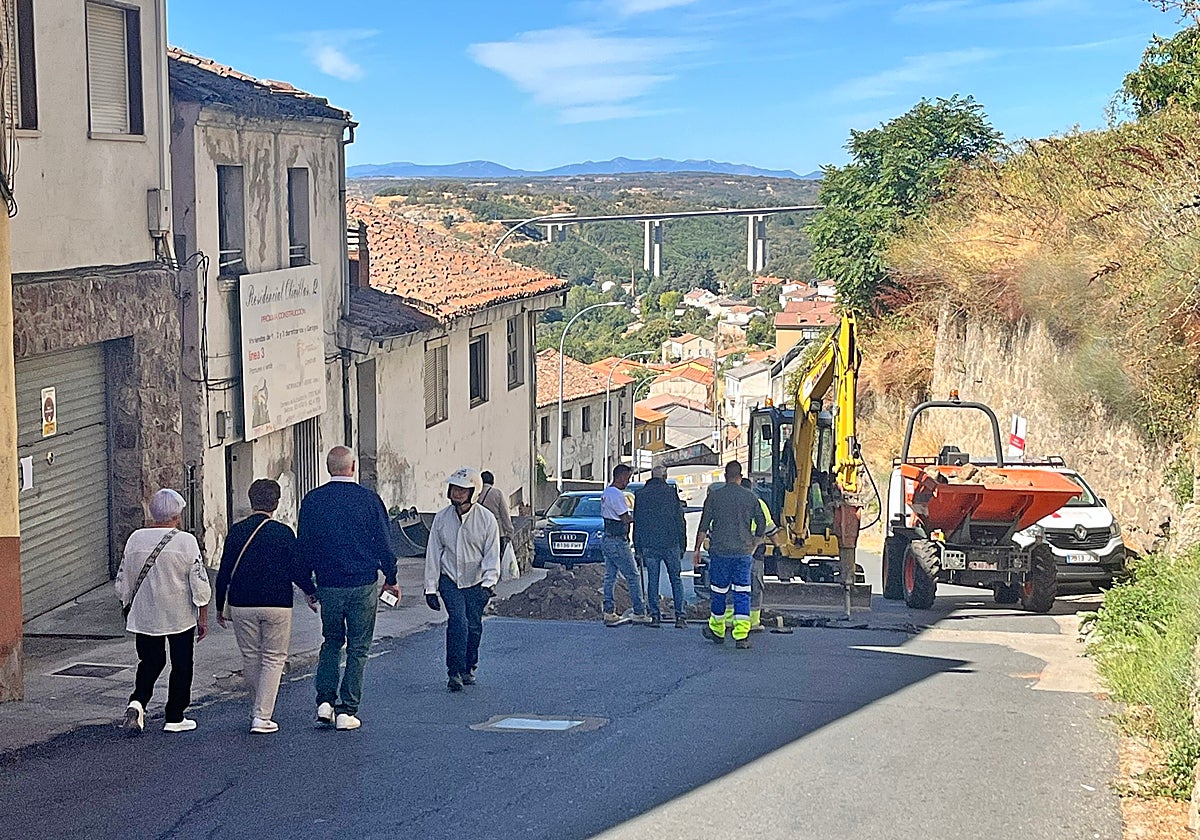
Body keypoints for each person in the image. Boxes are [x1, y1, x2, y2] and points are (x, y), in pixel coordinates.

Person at [297, 446, 399, 731]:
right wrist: (391, 577)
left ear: (328, 467)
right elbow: (384, 543)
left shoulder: (313, 500)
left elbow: (303, 546)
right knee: (358, 647)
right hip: (362, 582)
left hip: (328, 583)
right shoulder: (369, 500)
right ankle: (347, 709)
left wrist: (307, 586)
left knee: (331, 641)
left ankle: (324, 701)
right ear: (353, 466)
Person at [215, 479, 318, 734]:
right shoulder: (283, 533)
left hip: (242, 602)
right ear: (276, 502)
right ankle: (262, 716)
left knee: (250, 656)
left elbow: (224, 570)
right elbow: (296, 569)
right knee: (274, 658)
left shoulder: (236, 531)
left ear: (251, 501)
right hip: (277, 602)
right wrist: (310, 591)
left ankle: (257, 708)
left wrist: (218, 605)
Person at [114, 488, 211, 734]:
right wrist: (203, 617)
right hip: (179, 614)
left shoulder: (135, 539)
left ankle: (138, 702)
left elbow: (123, 579)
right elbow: (199, 583)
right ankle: (175, 716)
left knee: (150, 660)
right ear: (177, 515)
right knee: (181, 664)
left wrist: (126, 603)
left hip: (145, 613)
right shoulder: (186, 541)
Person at [424, 467, 501, 692]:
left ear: (473, 492)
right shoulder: (441, 518)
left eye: (462, 489)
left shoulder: (486, 520)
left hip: (476, 582)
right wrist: (430, 588)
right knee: (458, 622)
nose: (456, 493)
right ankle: (454, 672)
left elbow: (491, 554)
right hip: (450, 579)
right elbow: (433, 553)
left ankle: (469, 667)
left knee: (473, 626)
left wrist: (488, 583)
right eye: (454, 488)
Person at [693, 461, 766, 649]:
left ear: (725, 476)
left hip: (720, 552)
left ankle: (718, 631)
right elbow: (762, 523)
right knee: (742, 592)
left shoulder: (715, 497)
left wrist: (697, 550)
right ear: (740, 477)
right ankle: (741, 636)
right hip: (743, 553)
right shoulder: (750, 497)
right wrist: (754, 543)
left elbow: (703, 526)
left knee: (718, 592)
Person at [633, 464, 688, 629]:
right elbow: (680, 520)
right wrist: (683, 543)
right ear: (665, 476)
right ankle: (680, 617)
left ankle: (655, 616)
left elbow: (638, 522)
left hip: (649, 544)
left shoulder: (641, 495)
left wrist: (638, 547)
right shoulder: (671, 493)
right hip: (671, 542)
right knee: (676, 579)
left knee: (653, 580)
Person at [601, 464, 651, 626]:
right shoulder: (617, 495)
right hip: (618, 541)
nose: (628, 482)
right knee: (633, 576)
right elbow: (624, 518)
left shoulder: (607, 492)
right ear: (621, 476)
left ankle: (608, 611)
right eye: (628, 478)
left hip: (607, 538)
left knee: (610, 576)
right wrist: (639, 519)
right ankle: (639, 611)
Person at [478, 470, 515, 558]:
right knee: (496, 558)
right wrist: (510, 531)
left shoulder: (476, 493)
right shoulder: (497, 493)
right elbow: (504, 513)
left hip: (479, 530)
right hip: (497, 531)